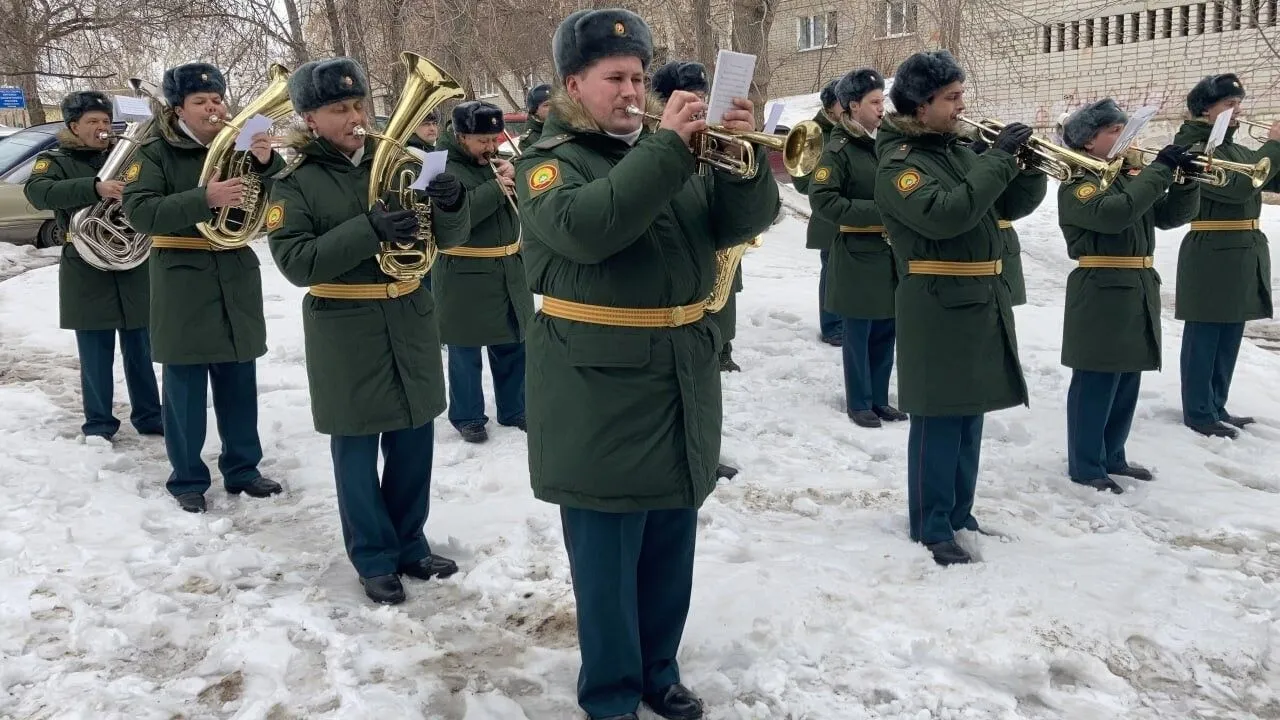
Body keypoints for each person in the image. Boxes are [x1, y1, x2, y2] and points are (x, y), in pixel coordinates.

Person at [517, 8, 780, 719]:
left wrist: (745, 155)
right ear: (575, 82)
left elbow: (740, 223)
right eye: (615, 78)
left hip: (679, 371)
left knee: (670, 538)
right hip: (596, 384)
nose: (632, 90)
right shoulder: (547, 160)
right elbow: (590, 227)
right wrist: (669, 150)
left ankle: (658, 670)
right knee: (607, 556)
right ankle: (608, 694)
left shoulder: (675, 151)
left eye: (639, 76)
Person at [265, 57, 471, 605]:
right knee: (356, 451)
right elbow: (296, 263)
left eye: (358, 105)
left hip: (408, 314)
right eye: (338, 109)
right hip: (345, 325)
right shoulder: (294, 183)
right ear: (309, 118)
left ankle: (410, 544)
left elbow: (444, 240)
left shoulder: (401, 160)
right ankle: (373, 557)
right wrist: (368, 229)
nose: (354, 116)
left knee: (413, 441)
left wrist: (452, 204)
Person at [873, 50, 1043, 566]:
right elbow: (950, 214)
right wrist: (996, 161)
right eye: (952, 98)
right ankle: (931, 523)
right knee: (939, 420)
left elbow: (1006, 204)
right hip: (937, 304)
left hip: (977, 300)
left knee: (970, 417)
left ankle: (959, 512)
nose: (961, 106)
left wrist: (1026, 167)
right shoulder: (900, 165)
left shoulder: (956, 149)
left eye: (961, 95)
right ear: (921, 106)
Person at [122, 63, 284, 514]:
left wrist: (267, 161)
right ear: (178, 109)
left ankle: (243, 469)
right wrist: (204, 199)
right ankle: (188, 476)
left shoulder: (240, 143)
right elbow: (139, 213)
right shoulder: (152, 151)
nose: (214, 108)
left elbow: (283, 194)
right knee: (185, 388)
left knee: (239, 380)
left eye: (217, 100)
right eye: (201, 102)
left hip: (233, 272)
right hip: (182, 275)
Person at [1058, 99, 1201, 493]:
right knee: (1097, 379)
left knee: (1126, 377)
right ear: (1088, 142)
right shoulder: (1080, 182)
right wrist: (1158, 172)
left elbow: (1169, 216)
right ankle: (1086, 464)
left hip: (1136, 284)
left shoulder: (1125, 178)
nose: (1124, 136)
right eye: (1114, 131)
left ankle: (1113, 453)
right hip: (1101, 287)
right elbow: (1115, 214)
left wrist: (1186, 182)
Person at [24, 91, 161, 441]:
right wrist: (95, 188)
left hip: (130, 261)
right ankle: (99, 423)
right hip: (85, 264)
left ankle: (150, 415)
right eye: (92, 122)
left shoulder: (129, 156)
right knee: (95, 351)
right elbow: (38, 193)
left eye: (104, 121)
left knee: (141, 347)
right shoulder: (54, 159)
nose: (102, 128)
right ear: (74, 126)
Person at [1174, 74, 1280, 439]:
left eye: (1238, 103)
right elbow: (1236, 188)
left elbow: (1265, 176)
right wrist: (1274, 146)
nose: (1238, 111)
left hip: (1239, 251)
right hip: (1212, 251)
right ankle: (1199, 410)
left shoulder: (1230, 146)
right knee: (1205, 333)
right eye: (1229, 105)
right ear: (1206, 109)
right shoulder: (1194, 145)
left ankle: (1216, 403)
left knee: (1229, 333)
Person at [809, 68, 906, 429]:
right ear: (852, 106)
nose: (883, 108)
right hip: (855, 253)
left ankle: (880, 399)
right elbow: (823, 199)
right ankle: (860, 402)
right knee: (859, 334)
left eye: (883, 100)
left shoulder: (884, 144)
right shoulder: (839, 149)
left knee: (886, 330)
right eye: (875, 102)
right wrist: (881, 214)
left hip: (887, 256)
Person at [436, 100, 533, 443]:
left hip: (507, 266)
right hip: (464, 269)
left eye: (495, 140)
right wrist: (495, 189)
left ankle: (515, 407)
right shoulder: (437, 165)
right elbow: (445, 222)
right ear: (461, 136)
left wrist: (515, 177)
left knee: (513, 341)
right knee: (465, 349)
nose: (491, 147)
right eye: (483, 141)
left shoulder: (496, 161)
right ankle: (467, 415)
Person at [652, 59, 746, 374]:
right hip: (684, 230)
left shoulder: (711, 129)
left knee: (725, 293)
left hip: (715, 226)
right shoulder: (659, 137)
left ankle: (723, 347)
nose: (700, 102)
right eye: (690, 95)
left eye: (702, 94)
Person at [793, 78, 844, 346]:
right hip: (829, 215)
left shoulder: (851, 129)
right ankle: (832, 326)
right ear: (829, 106)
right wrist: (829, 178)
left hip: (853, 216)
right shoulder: (814, 134)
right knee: (832, 270)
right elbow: (801, 182)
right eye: (842, 101)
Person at [520, 83, 552, 148]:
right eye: (546, 105)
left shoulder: (563, 125)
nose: (552, 108)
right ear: (535, 111)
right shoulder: (529, 140)